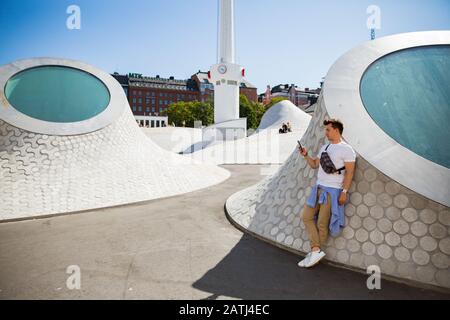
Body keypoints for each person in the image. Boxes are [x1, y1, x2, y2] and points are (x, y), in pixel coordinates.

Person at [297, 118, 356, 268]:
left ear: (336, 130)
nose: (326, 132)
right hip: (318, 188)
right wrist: (305, 155)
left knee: (322, 223)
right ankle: (316, 250)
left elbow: (349, 173)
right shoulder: (325, 147)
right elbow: (315, 165)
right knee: (306, 217)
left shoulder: (347, 150)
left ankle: (315, 251)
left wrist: (344, 192)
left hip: (332, 191)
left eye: (328, 129)